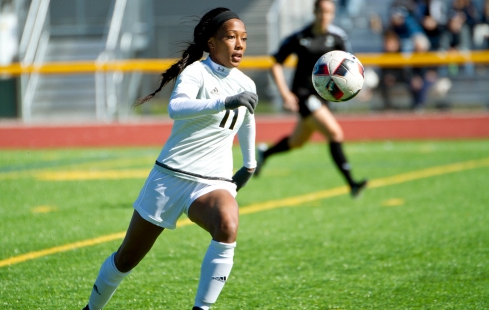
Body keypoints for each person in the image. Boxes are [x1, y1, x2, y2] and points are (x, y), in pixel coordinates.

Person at [81, 7, 258, 310]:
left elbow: (247, 119)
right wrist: (223, 100)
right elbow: (176, 107)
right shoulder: (196, 72)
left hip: (211, 183)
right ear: (211, 43)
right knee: (126, 258)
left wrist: (250, 163)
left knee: (227, 224)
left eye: (243, 38)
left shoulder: (247, 84)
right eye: (231, 37)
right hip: (170, 176)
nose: (239, 44)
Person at [255, 0, 367, 198]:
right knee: (335, 133)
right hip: (303, 95)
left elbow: (351, 66)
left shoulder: (337, 37)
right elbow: (276, 63)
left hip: (323, 97)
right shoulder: (300, 37)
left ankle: (265, 154)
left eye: (329, 12)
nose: (325, 16)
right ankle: (352, 183)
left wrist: (355, 88)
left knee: (297, 142)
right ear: (314, 11)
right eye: (322, 11)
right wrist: (285, 93)